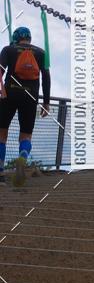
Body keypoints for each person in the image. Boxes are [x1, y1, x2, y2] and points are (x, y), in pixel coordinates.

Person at [0, 26, 50, 186]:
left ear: (16, 37)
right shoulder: (41, 53)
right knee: (26, 135)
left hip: (9, 93)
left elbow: (0, 71)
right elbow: (46, 77)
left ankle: (0, 173)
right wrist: (46, 102)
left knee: (1, 134)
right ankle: (20, 169)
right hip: (30, 96)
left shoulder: (8, 49)